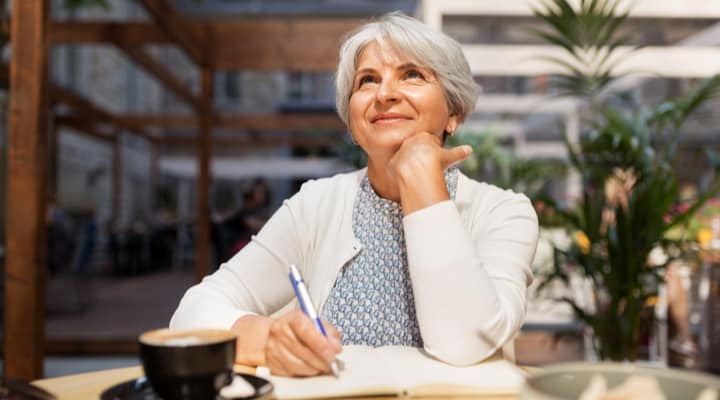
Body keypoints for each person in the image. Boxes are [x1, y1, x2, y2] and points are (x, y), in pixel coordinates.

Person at [170, 12, 539, 377]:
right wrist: (265, 340)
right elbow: (191, 313)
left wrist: (423, 182)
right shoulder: (314, 205)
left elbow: (465, 344)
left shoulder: (504, 213)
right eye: (367, 80)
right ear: (353, 121)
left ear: (454, 112)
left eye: (411, 75)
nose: (385, 94)